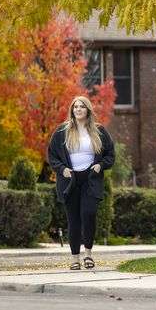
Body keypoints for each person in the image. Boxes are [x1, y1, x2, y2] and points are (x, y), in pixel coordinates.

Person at [47, 96, 114, 270]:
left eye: (82, 107)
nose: (78, 109)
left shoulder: (99, 131)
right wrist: (62, 169)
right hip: (70, 180)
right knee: (74, 220)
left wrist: (101, 165)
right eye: (75, 107)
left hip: (91, 179)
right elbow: (52, 155)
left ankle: (88, 254)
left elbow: (110, 155)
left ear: (88, 110)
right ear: (72, 110)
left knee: (88, 214)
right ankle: (75, 258)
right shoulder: (62, 131)